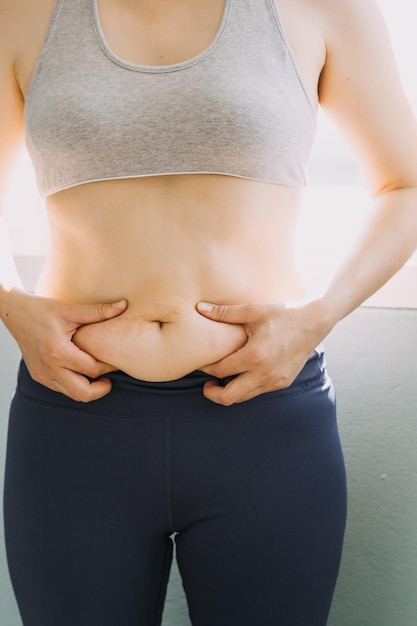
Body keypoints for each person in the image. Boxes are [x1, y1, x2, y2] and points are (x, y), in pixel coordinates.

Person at [1, 0, 417, 624]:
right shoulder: (22, 12)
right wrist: (12, 306)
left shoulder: (324, 9)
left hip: (265, 425)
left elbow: (404, 184)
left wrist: (319, 315)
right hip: (76, 424)